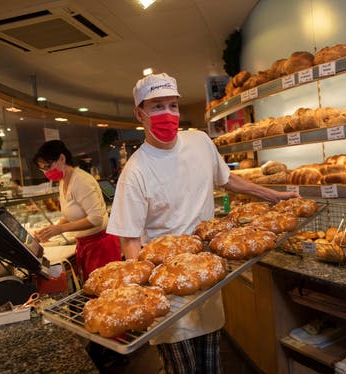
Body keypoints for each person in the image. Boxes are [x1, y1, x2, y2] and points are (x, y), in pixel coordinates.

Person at [107, 73, 299, 373]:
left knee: (211, 362)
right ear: (140, 113)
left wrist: (272, 196)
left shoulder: (198, 141)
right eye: (157, 106)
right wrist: (145, 297)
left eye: (173, 105)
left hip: (206, 274)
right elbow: (130, 240)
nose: (168, 114)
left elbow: (229, 179)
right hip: (168, 287)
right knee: (182, 367)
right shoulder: (135, 172)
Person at [33, 140, 121, 282]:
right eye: (42, 169)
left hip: (101, 246)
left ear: (62, 158)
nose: (46, 173)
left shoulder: (81, 181)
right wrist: (52, 229)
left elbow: (95, 218)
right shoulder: (63, 181)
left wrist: (61, 229)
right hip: (85, 244)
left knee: (105, 292)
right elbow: (70, 215)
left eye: (48, 166)